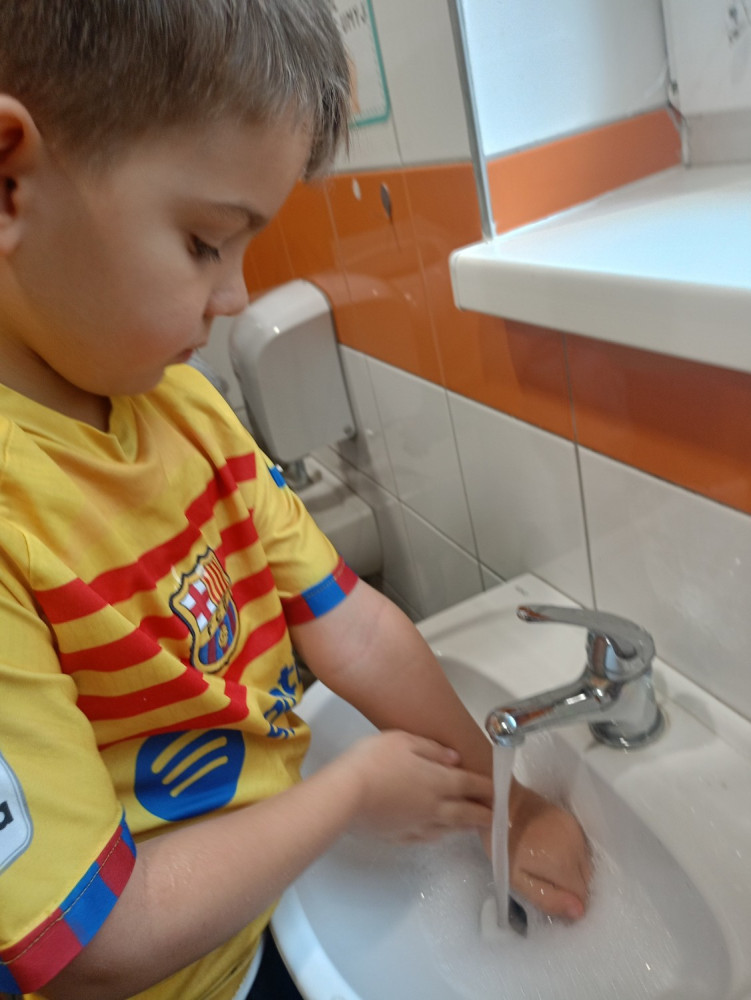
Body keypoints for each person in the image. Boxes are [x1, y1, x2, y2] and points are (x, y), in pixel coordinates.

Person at [0, 2, 591, 998]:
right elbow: (96, 942)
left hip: (269, 900)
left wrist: (509, 803)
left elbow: (350, 626)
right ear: (10, 180)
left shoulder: (179, 403)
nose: (235, 294)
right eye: (204, 241)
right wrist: (346, 794)